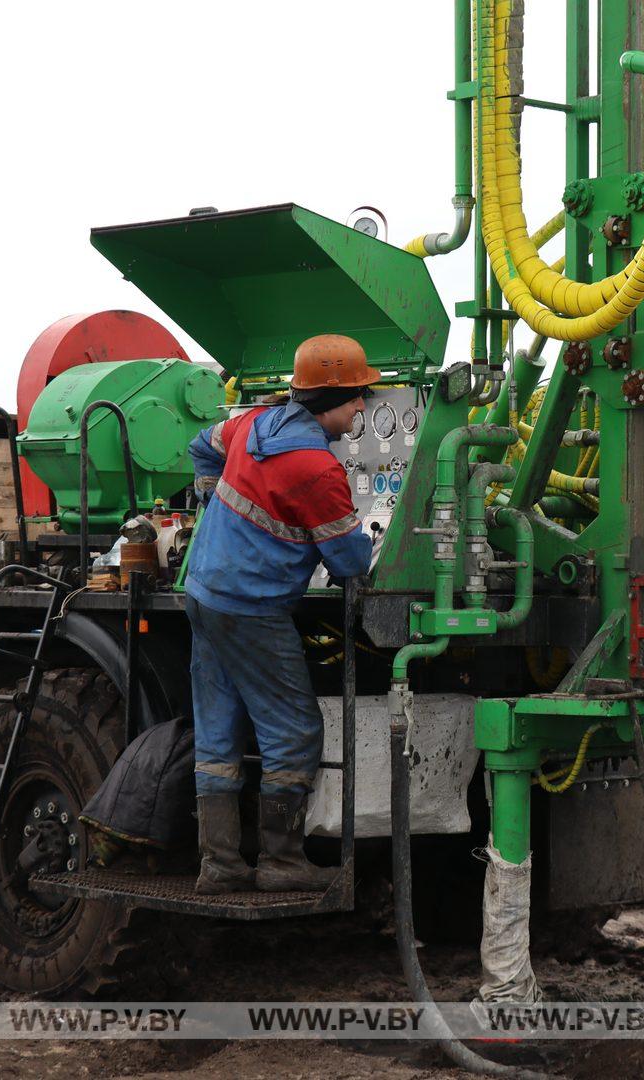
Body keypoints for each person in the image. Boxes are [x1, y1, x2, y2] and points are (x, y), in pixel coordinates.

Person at [183, 333, 375, 894]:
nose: (362, 407)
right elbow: (347, 562)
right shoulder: (316, 470)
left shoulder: (252, 425)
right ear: (325, 402)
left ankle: (219, 865)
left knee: (218, 730)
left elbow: (201, 445)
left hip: (203, 592)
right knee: (293, 730)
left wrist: (207, 496)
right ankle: (282, 861)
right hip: (251, 609)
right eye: (356, 397)